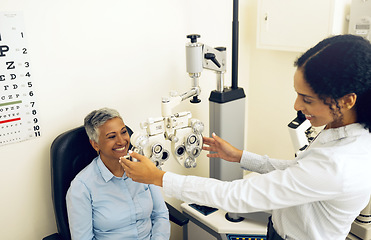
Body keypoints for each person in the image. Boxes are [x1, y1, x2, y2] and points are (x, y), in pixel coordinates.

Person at [119, 34, 371, 240]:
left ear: (347, 100)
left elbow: (236, 196)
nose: (296, 105)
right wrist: (240, 156)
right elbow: (298, 171)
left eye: (307, 99)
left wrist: (159, 177)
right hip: (279, 228)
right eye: (297, 94)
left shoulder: (341, 165)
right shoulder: (341, 130)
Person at [66, 108, 170, 240]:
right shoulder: (81, 188)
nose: (121, 141)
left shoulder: (142, 168)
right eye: (112, 136)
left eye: (124, 132)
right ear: (95, 144)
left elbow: (160, 214)